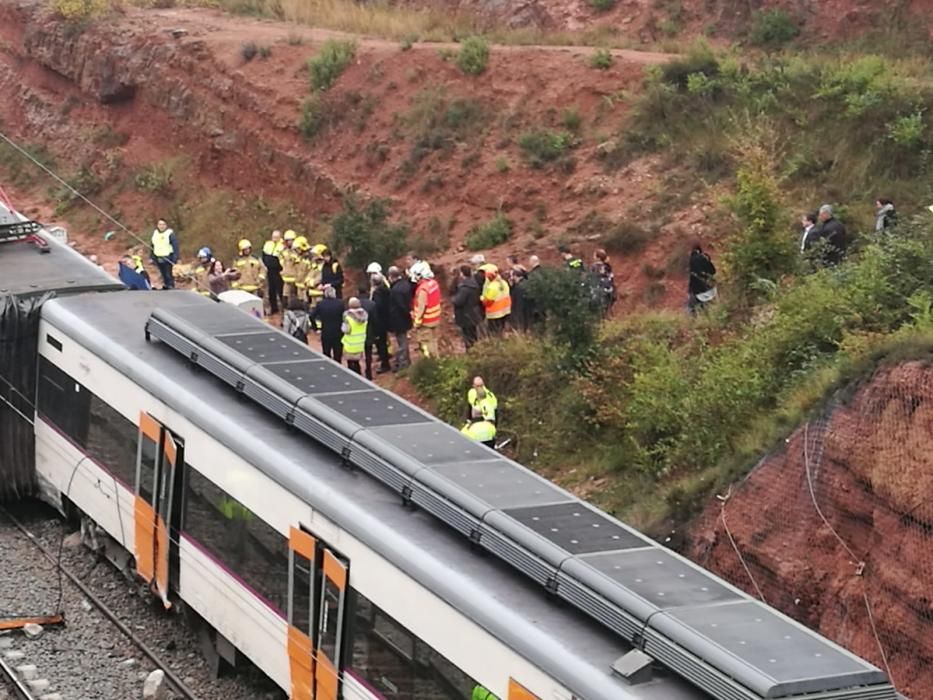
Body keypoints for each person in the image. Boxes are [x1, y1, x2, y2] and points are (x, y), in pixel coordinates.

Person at [411, 266, 441, 359]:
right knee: (434, 342)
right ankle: (436, 361)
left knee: (426, 344)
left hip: (426, 322)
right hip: (435, 319)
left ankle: (430, 364)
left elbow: (422, 307)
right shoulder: (433, 284)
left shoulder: (422, 289)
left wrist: (417, 322)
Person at [386, 266, 413, 371]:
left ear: (391, 276)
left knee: (402, 341)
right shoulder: (406, 284)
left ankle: (403, 363)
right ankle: (406, 360)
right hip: (405, 318)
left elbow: (400, 305)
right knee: (403, 340)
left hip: (399, 319)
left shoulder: (395, 290)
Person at [452, 264, 483, 349]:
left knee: (467, 336)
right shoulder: (475, 284)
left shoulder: (464, 288)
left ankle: (471, 352)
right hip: (474, 312)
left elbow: (458, 301)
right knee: (473, 334)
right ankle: (476, 350)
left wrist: (454, 299)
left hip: (465, 315)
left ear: (462, 274)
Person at [313, 285, 345, 362]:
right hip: (338, 332)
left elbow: (312, 316)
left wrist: (316, 328)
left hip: (326, 332)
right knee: (338, 355)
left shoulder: (321, 304)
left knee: (326, 354)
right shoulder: (340, 303)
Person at [369, 271, 392, 374]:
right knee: (383, 342)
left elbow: (376, 308)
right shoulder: (386, 290)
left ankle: (385, 364)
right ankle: (385, 360)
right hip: (386, 320)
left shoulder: (377, 294)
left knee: (381, 344)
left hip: (379, 323)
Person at [480, 264, 511, 334]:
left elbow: (487, 303)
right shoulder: (504, 283)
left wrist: (481, 298)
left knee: (494, 333)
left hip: (494, 315)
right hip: (505, 312)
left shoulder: (492, 287)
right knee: (501, 331)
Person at [341, 297, 369, 375]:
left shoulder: (348, 317)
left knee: (350, 363)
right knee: (357, 362)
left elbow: (346, 330)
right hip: (360, 343)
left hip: (350, 343)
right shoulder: (364, 316)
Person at [149, 219, 179, 289]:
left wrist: (175, 257)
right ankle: (165, 285)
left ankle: (171, 286)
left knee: (168, 273)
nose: (161, 226)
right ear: (157, 225)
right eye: (160, 224)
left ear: (166, 225)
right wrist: (151, 257)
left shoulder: (170, 233)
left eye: (163, 224)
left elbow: (175, 246)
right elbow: (152, 245)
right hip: (158, 257)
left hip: (168, 257)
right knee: (162, 273)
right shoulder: (155, 233)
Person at [688, 244, 717, 315]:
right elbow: (713, 271)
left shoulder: (687, 262)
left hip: (697, 291)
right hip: (710, 289)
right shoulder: (704, 257)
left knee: (692, 309)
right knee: (713, 310)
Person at [262, 230, 284, 314]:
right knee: (271, 290)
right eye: (273, 237)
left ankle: (282, 308)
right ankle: (274, 309)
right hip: (269, 270)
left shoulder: (282, 246)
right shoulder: (268, 244)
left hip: (279, 271)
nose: (274, 238)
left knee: (280, 290)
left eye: (276, 237)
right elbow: (264, 255)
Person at [589, 248, 617, 316]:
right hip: (610, 291)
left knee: (600, 312)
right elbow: (611, 277)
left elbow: (592, 278)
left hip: (599, 291)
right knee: (607, 310)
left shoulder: (595, 267)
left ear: (598, 258)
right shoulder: (607, 266)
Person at [280, 230, 300, 306]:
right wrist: (283, 267)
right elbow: (281, 259)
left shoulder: (297, 252)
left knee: (296, 296)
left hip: (296, 277)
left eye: (291, 240)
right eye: (288, 241)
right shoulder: (284, 251)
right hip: (286, 277)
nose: (289, 242)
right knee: (285, 296)